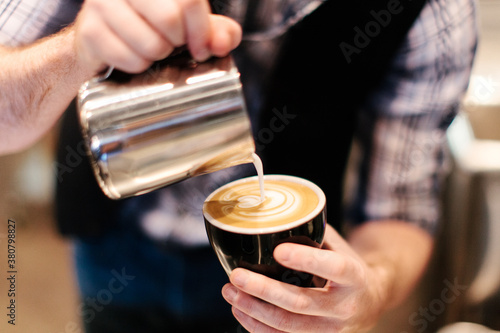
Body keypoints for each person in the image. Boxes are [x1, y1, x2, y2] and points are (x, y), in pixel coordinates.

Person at [0, 0, 478, 332]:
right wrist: (76, 49)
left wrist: (372, 285)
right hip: (114, 244)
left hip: (284, 283)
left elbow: (399, 206)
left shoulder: (433, 14)